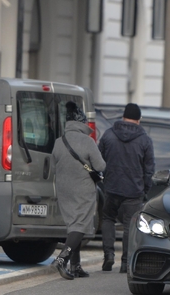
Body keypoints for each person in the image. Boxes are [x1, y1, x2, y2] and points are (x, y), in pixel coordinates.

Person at [51, 102, 106, 280]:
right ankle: (62, 259)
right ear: (82, 123)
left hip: (64, 189)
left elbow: (53, 164)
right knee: (80, 225)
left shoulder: (59, 141)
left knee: (73, 225)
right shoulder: (87, 141)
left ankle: (76, 266)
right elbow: (100, 165)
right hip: (83, 189)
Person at [98, 103, 155, 273]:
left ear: (123, 117)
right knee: (130, 226)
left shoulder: (108, 135)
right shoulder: (145, 139)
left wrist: (104, 178)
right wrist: (145, 189)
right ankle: (125, 262)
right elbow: (149, 169)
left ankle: (108, 255)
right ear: (138, 119)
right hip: (134, 190)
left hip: (111, 187)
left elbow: (99, 160)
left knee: (108, 218)